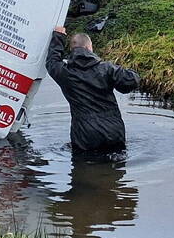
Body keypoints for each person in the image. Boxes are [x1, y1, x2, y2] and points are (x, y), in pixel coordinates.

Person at [46, 26, 140, 154]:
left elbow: (52, 61)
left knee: (84, 167)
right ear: (89, 48)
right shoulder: (107, 69)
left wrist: (58, 37)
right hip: (113, 130)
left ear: (72, 50)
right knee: (116, 167)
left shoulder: (65, 73)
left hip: (85, 135)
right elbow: (132, 81)